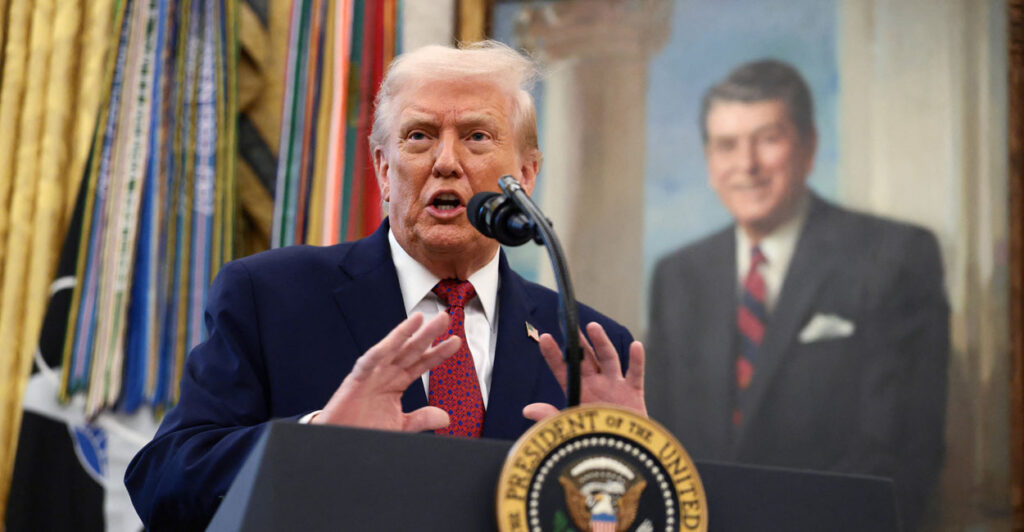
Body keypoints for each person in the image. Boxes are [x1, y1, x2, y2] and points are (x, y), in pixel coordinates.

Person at [125, 41, 646, 530]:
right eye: (419, 136)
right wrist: (317, 442)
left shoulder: (593, 347)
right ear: (382, 167)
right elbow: (162, 483)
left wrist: (637, 468)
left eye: (477, 137)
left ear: (526, 176)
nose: (445, 161)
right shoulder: (269, 296)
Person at [645, 59, 949, 531]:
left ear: (808, 148)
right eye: (727, 145)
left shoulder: (895, 257)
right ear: (709, 162)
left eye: (768, 139)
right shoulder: (678, 276)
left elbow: (902, 451)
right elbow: (660, 439)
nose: (747, 165)